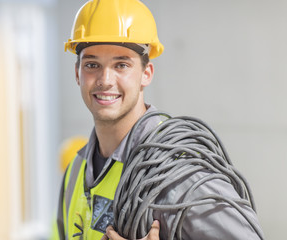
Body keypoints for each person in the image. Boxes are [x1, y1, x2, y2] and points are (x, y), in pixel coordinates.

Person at [56, 0, 264, 239]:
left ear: (146, 74)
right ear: (77, 73)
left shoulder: (179, 175)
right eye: (92, 64)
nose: (105, 80)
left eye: (121, 65)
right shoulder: (75, 171)